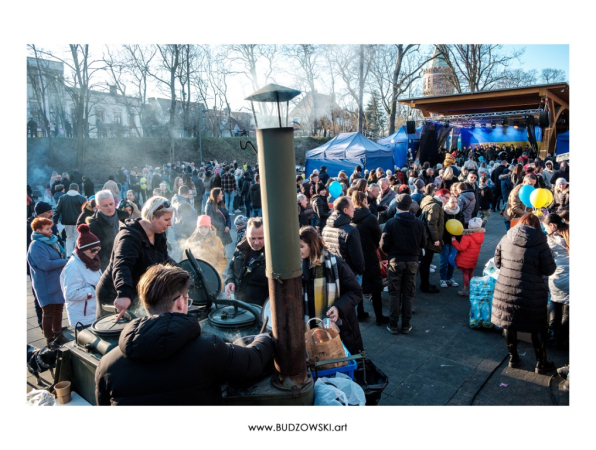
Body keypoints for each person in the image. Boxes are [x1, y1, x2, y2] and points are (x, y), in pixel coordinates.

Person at [95, 263, 273, 405]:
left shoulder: (107, 364)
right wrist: (263, 339)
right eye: (188, 299)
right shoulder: (209, 348)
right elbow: (251, 363)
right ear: (181, 302)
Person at [491, 213, 557, 374]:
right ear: (536, 225)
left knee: (509, 322)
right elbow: (549, 269)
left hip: (506, 288)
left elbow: (497, 262)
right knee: (537, 326)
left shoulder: (506, 237)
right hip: (532, 291)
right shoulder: (541, 244)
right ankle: (541, 363)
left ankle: (513, 357)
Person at [95, 196, 176, 320]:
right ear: (152, 217)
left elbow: (164, 259)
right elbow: (122, 265)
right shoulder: (129, 237)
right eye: (166, 219)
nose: (169, 224)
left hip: (137, 292)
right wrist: (123, 293)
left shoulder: (159, 234)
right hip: (115, 295)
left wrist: (180, 271)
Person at [299, 226, 364, 355]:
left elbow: (356, 291)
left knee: (341, 360)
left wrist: (338, 307)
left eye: (301, 246)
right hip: (310, 327)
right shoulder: (298, 266)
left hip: (340, 327)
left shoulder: (335, 264)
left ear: (312, 246)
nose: (297, 250)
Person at [380, 194, 427, 335]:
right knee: (408, 293)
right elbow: (423, 243)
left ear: (397, 206)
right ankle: (406, 325)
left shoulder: (391, 223)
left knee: (395, 293)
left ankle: (393, 325)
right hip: (412, 261)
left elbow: (383, 245)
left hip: (396, 261)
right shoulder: (418, 223)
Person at [321, 196, 367, 320]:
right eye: (352, 208)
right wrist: (360, 270)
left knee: (337, 308)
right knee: (349, 311)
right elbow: (357, 257)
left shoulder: (326, 228)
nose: (355, 210)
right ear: (345, 210)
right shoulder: (351, 230)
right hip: (350, 274)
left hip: (334, 273)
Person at [27, 217, 68, 348]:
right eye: (47, 229)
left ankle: (58, 334)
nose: (51, 231)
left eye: (50, 228)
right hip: (45, 284)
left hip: (56, 282)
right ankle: (49, 339)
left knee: (58, 310)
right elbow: (45, 264)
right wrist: (65, 261)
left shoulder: (51, 241)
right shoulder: (36, 245)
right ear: (38, 230)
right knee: (48, 312)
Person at [351, 192, 388, 326]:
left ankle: (360, 313)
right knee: (376, 286)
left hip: (355, 255)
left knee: (358, 285)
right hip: (370, 255)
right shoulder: (370, 218)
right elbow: (378, 237)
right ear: (365, 200)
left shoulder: (349, 217)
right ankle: (379, 317)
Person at [59, 224, 101, 327]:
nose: (95, 253)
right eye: (93, 250)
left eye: (98, 249)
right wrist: (95, 290)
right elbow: (70, 294)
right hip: (83, 318)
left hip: (92, 313)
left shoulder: (91, 260)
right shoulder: (73, 267)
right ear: (82, 249)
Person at [223, 217, 268, 307]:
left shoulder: (271, 256)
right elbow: (231, 267)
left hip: (260, 308)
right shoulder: (240, 249)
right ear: (246, 234)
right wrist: (230, 281)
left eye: (260, 238)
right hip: (239, 304)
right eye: (252, 238)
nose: (256, 242)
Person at [543, 213, 569, 349]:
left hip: (557, 276)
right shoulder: (569, 234)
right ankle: (564, 337)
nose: (545, 229)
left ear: (552, 225)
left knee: (555, 302)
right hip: (570, 277)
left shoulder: (551, 239)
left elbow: (546, 258)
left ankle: (553, 334)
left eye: (545, 227)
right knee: (567, 308)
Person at [419, 188, 451, 293]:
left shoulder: (430, 203)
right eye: (447, 198)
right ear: (441, 196)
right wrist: (437, 239)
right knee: (426, 263)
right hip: (429, 239)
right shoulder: (435, 206)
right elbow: (432, 224)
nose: (447, 200)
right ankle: (425, 285)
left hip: (426, 238)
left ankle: (425, 284)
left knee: (425, 262)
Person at [87, 190, 129, 271]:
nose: (109, 207)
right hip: (105, 266)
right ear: (98, 207)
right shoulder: (93, 226)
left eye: (111, 204)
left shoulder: (125, 217)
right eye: (105, 205)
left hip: (127, 262)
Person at [449, 217, 485, 297]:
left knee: (465, 273)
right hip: (473, 258)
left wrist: (454, 241)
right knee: (471, 273)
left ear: (469, 226)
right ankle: (472, 288)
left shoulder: (467, 236)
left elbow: (461, 248)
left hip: (465, 258)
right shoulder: (480, 235)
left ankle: (465, 290)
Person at [440, 196, 462, 289]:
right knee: (444, 260)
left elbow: (461, 227)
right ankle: (443, 279)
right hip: (445, 240)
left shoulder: (459, 213)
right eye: (452, 202)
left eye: (455, 202)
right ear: (447, 203)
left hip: (455, 241)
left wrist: (459, 240)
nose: (454, 204)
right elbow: (441, 227)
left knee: (452, 260)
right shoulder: (443, 213)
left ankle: (450, 278)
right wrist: (441, 238)